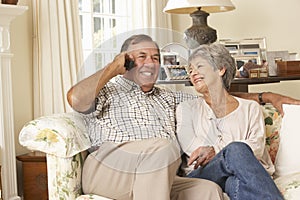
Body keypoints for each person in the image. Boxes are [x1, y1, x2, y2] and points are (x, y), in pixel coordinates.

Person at [67, 34, 300, 200]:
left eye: (156, 57)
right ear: (125, 61)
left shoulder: (171, 98)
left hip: (159, 176)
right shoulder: (108, 89)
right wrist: (113, 68)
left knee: (208, 191)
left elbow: (215, 94)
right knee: (163, 147)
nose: (150, 62)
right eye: (141, 57)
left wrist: (266, 95)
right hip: (111, 171)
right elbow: (76, 99)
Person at [176, 43, 284, 200]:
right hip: (203, 175)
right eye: (190, 70)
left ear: (220, 69)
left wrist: (216, 149)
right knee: (237, 149)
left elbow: (257, 147)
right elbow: (194, 150)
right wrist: (229, 152)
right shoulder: (185, 109)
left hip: (243, 174)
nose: (193, 74)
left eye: (199, 66)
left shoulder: (250, 108)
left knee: (234, 183)